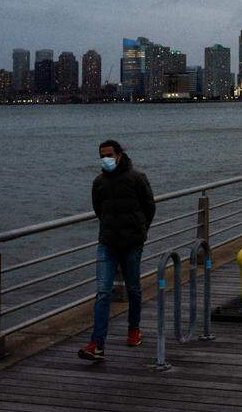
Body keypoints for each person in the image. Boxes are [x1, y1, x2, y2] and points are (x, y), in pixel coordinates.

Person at [78, 139, 156, 361]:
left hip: (132, 242)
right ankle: (97, 343)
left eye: (109, 155)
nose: (106, 159)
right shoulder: (99, 182)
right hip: (107, 243)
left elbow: (149, 206)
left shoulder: (137, 178)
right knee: (103, 292)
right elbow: (98, 209)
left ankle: (134, 330)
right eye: (102, 155)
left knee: (134, 289)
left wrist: (140, 232)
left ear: (120, 155)